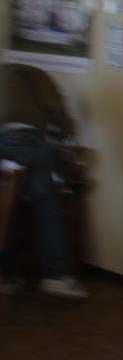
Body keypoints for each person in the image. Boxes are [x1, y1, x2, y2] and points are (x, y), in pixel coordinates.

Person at [0, 62, 87, 298]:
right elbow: (54, 108)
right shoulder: (37, 75)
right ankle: (55, 276)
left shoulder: (5, 72)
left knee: (10, 205)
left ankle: (9, 276)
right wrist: (67, 129)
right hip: (24, 137)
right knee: (47, 204)